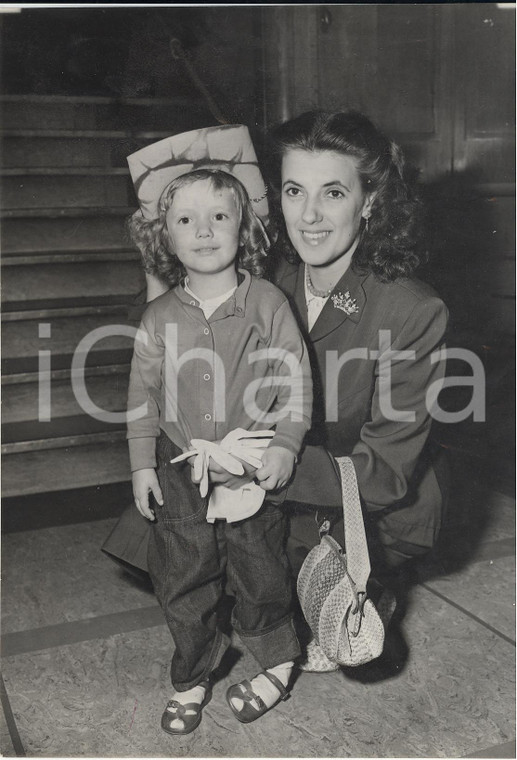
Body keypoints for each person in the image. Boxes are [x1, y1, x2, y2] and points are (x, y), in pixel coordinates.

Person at [202, 110, 449, 671]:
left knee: (306, 610)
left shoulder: (410, 308)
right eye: (294, 190)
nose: (309, 216)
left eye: (332, 192)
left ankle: (373, 582)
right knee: (176, 542)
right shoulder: (271, 279)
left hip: (369, 498)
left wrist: (255, 468)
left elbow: (385, 472)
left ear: (369, 201)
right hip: (290, 473)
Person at [124, 125, 313, 733]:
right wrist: (140, 464)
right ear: (163, 236)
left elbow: (296, 379)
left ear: (246, 228)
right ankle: (194, 672)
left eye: (218, 216)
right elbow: (141, 396)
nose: (203, 231)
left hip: (253, 457)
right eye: (185, 219)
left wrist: (285, 442)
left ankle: (276, 662)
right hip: (181, 464)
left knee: (259, 565)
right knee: (185, 572)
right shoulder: (158, 316)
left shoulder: (266, 304)